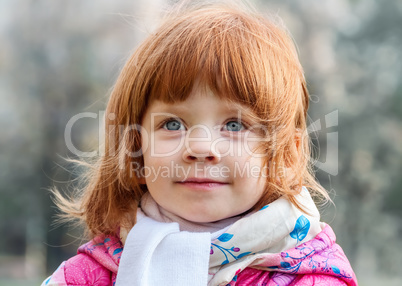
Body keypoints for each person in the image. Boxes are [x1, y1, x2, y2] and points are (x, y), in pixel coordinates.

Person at [42, 1, 358, 285]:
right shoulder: (86, 276)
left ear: (285, 156)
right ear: (134, 153)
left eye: (234, 125)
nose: (202, 148)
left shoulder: (311, 279)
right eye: (173, 124)